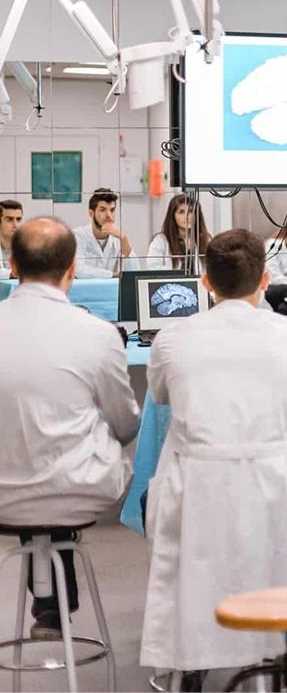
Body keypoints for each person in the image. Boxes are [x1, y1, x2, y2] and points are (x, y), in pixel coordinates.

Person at [140, 229, 287, 684]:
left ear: (205, 282)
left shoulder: (173, 337)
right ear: (265, 279)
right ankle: (278, 650)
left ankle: (193, 660)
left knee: (181, 542)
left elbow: (160, 394)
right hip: (278, 489)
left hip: (197, 492)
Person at [0, 217, 139, 638]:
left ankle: (50, 603)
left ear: (13, 265)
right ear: (73, 269)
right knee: (60, 453)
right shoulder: (96, 334)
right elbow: (126, 424)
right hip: (79, 489)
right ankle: (53, 602)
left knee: (27, 449)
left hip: (3, 490)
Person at [73, 187, 135, 278]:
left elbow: (134, 272)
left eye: (112, 210)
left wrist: (124, 239)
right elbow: (79, 270)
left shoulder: (118, 238)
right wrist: (113, 275)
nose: (109, 215)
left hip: (111, 291)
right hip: (84, 291)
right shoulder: (78, 236)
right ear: (91, 213)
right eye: (102, 210)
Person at [146, 194, 211, 275]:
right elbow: (152, 269)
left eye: (191, 211)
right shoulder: (160, 241)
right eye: (181, 212)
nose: (187, 217)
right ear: (173, 216)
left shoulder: (206, 240)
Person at [0, 198, 22, 277]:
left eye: (18, 219)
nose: (15, 225)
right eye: (9, 219)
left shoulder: (28, 245)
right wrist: (12, 274)